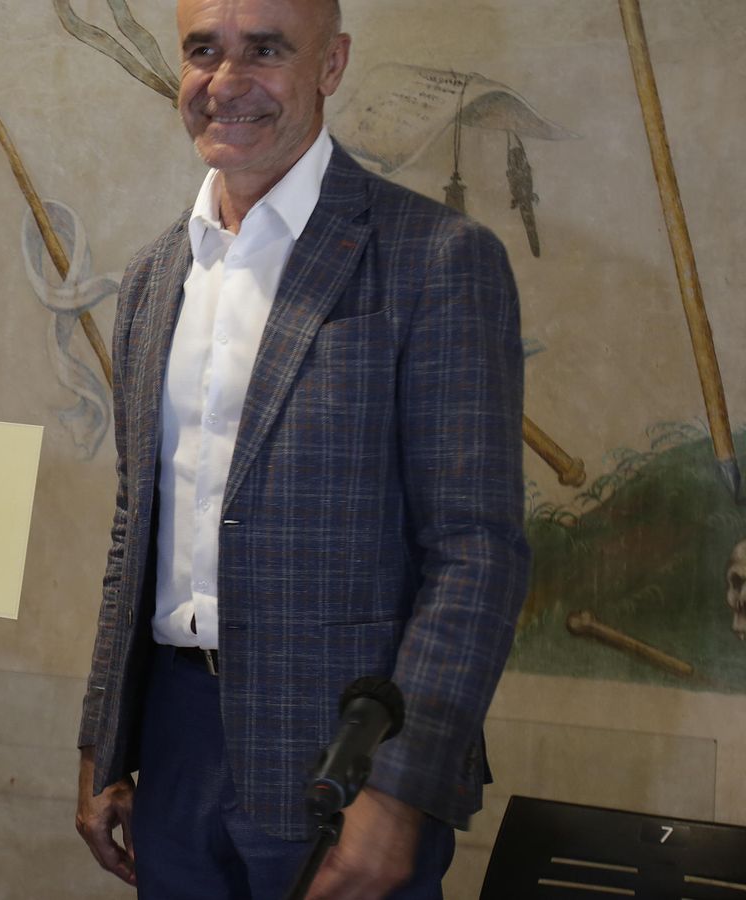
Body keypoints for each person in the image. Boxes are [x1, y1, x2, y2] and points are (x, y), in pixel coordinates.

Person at [74, 0, 530, 897]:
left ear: (331, 64)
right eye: (203, 50)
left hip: (347, 754)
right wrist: (104, 739)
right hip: (173, 744)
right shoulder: (154, 276)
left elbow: (477, 551)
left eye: (265, 50)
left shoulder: (438, 258)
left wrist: (399, 787)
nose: (226, 82)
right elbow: (138, 527)